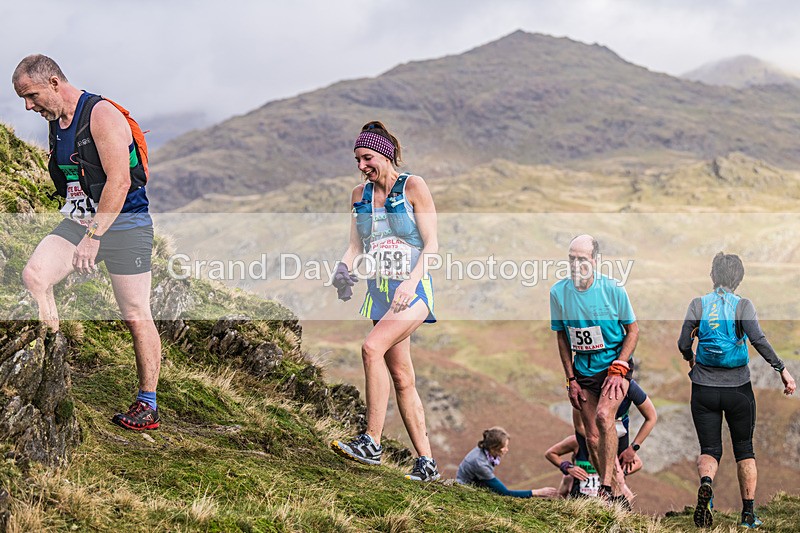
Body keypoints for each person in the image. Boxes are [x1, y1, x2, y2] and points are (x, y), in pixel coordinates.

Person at [12, 55, 161, 431]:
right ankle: (51, 361)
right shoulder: (56, 122)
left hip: (124, 225)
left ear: (54, 82)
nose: (29, 106)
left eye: (32, 95)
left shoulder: (102, 114)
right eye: (23, 100)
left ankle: (148, 404)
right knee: (35, 277)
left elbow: (120, 181)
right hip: (79, 221)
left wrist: (94, 237)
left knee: (135, 313)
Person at [330, 121, 440, 481]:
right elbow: (355, 246)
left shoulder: (413, 186)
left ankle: (371, 443)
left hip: (412, 293)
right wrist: (343, 271)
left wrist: (411, 282)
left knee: (370, 349)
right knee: (402, 377)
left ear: (386, 153)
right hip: (379, 297)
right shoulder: (358, 195)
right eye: (357, 159)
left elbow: (432, 244)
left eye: (367, 157)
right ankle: (427, 463)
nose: (362, 165)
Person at [678, 252, 796, 529]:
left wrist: (690, 358)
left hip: (703, 388)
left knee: (709, 448)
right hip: (738, 389)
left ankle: (706, 484)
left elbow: (683, 341)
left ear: (712, 276)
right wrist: (782, 370)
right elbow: (758, 340)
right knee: (744, 449)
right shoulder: (743, 306)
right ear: (739, 279)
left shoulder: (698, 304)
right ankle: (747, 515)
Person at [550, 234, 639, 505]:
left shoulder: (613, 289)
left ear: (595, 261)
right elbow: (562, 337)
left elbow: (633, 330)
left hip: (614, 367)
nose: (576, 265)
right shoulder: (558, 293)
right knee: (590, 435)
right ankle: (607, 488)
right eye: (572, 259)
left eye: (582, 259)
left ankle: (610, 487)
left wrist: (619, 367)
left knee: (604, 416)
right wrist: (571, 379)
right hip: (584, 371)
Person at [545, 379, 656, 503]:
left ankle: (618, 503)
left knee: (620, 480)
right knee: (603, 459)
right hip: (592, 434)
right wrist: (569, 467)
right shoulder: (585, 386)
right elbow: (580, 426)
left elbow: (651, 417)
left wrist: (633, 449)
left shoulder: (629, 386)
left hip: (619, 432)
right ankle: (608, 490)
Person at [457, 427, 558, 498]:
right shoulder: (480, 464)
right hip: (465, 490)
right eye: (504, 447)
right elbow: (505, 492)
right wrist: (537, 492)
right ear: (494, 448)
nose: (506, 450)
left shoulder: (483, 450)